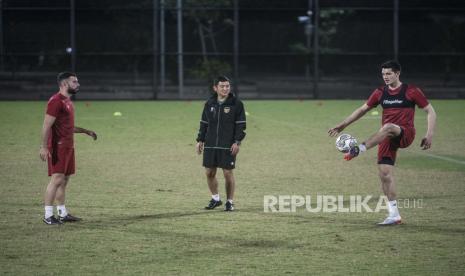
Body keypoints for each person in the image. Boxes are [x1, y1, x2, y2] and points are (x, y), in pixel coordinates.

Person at [328, 60, 437, 225]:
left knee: (388, 127)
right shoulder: (380, 92)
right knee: (385, 174)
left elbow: (430, 111)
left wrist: (429, 134)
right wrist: (343, 125)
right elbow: (362, 109)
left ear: (397, 73)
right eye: (383, 74)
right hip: (386, 138)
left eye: (389, 73)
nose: (385, 77)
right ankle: (394, 215)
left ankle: (360, 148)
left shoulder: (411, 91)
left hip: (405, 133)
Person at [39, 72, 97, 225]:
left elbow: (67, 127)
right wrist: (44, 147)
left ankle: (63, 213)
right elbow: (46, 125)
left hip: (68, 146)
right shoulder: (56, 101)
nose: (78, 84)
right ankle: (48, 215)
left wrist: (85, 131)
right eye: (74, 82)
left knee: (64, 180)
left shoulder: (68, 102)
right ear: (64, 84)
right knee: (57, 179)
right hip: (58, 147)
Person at [196, 76, 246, 211]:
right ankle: (215, 198)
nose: (225, 88)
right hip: (211, 143)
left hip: (227, 144)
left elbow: (241, 125)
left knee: (227, 173)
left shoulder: (236, 104)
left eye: (227, 86)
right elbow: (204, 123)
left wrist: (237, 142)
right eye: (222, 86)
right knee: (209, 173)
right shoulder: (209, 103)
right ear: (215, 88)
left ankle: (230, 202)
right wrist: (200, 140)